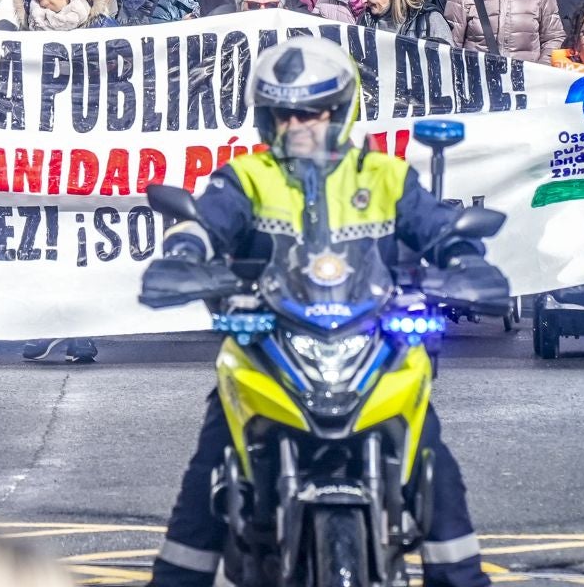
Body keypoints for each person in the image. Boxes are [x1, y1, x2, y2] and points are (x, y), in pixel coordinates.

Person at [148, 37, 493, 587]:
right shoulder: (248, 177)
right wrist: (184, 256)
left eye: (315, 111)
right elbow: (205, 220)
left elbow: (436, 226)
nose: (299, 124)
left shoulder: (384, 174)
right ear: (267, 117)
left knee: (433, 460)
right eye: (285, 113)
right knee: (211, 464)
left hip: (372, 341)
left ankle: (462, 580)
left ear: (342, 109)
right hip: (270, 342)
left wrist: (465, 260)